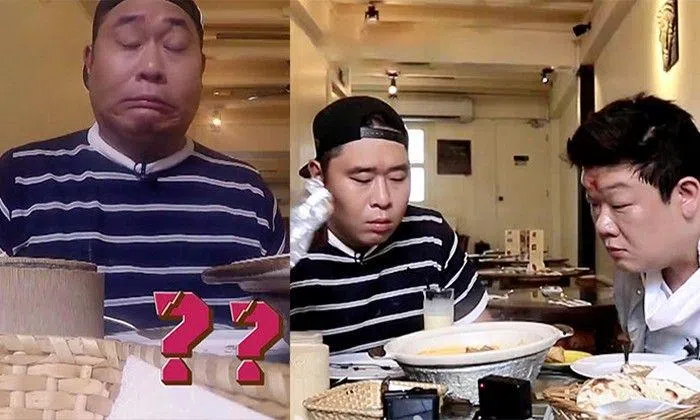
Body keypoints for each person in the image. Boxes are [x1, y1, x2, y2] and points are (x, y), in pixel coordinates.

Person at [0, 0, 286, 333]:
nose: (151, 66)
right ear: (89, 63)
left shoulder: (247, 193)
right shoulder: (20, 178)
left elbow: (289, 334)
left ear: (202, 70)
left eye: (175, 45)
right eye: (129, 41)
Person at [290, 96, 488, 354]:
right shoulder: (292, 254)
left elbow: (482, 342)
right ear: (319, 176)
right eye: (362, 179)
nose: (383, 199)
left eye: (397, 177)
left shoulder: (432, 236)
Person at [567, 93, 700, 356]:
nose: (602, 225)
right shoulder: (631, 275)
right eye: (594, 204)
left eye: (619, 204)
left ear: (686, 195)